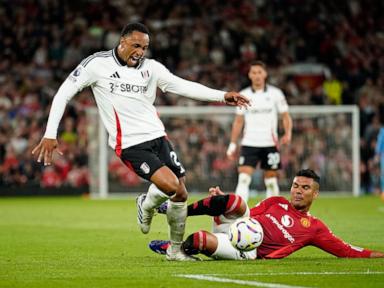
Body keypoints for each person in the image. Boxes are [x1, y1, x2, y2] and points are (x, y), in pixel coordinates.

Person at [31, 22, 249, 261]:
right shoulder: (97, 64)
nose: (140, 52)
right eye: (136, 45)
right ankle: (146, 204)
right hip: (130, 144)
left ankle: (175, 252)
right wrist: (50, 133)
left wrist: (222, 96)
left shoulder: (151, 68)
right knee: (170, 185)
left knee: (181, 195)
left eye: (144, 47)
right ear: (121, 41)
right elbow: (64, 92)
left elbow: (182, 86)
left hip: (158, 137)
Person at [149, 169, 384, 260]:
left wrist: (378, 255)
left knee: (200, 239)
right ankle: (176, 210)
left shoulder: (315, 228)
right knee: (235, 200)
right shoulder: (276, 201)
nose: (298, 192)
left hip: (248, 249)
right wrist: (221, 202)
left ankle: (174, 248)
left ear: (316, 194)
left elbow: (345, 250)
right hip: (241, 227)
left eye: (305, 188)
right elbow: (247, 213)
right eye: (295, 186)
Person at [226, 61, 292, 202]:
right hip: (249, 143)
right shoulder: (243, 95)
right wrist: (232, 144)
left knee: (271, 181)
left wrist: (288, 133)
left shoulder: (276, 94)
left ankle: (272, 213)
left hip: (270, 143)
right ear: (249, 75)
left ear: (265, 74)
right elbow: (238, 121)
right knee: (243, 179)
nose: (257, 76)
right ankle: (240, 212)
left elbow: (285, 116)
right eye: (254, 73)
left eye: (259, 72)